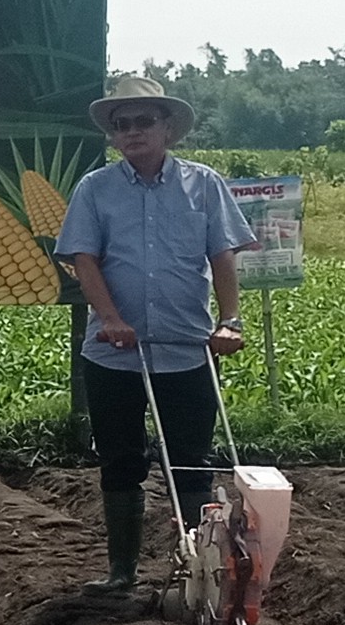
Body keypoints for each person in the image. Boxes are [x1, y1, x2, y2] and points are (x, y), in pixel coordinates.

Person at [55, 74, 253, 595]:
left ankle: (197, 568)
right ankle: (122, 570)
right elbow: (83, 257)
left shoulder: (203, 184)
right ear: (114, 135)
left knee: (191, 462)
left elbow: (223, 255)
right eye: (122, 125)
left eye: (144, 121)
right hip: (114, 353)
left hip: (186, 349)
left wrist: (229, 321)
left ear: (167, 127)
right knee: (120, 461)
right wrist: (111, 317)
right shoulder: (95, 189)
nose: (133, 132)